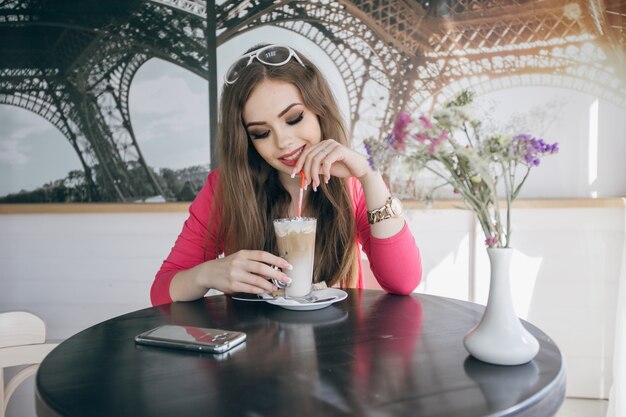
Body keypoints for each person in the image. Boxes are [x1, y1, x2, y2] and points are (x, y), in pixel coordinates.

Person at [150, 44, 422, 306]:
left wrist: (369, 175)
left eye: (293, 118)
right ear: (247, 139)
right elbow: (161, 291)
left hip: (341, 347)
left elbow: (404, 281)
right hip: (255, 348)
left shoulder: (352, 184)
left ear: (320, 110)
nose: (283, 141)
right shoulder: (225, 187)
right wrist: (207, 274)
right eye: (261, 133)